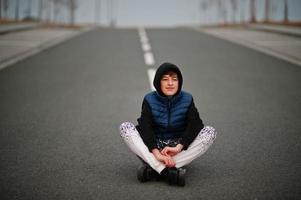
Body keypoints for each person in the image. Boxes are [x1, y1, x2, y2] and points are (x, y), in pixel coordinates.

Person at [119, 62, 217, 186]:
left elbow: (195, 125)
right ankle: (167, 170)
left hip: (177, 150)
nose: (170, 83)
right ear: (158, 83)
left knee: (210, 132)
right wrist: (157, 154)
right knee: (125, 127)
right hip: (154, 148)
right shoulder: (149, 99)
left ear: (179, 82)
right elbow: (145, 127)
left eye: (174, 79)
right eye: (165, 79)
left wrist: (179, 147)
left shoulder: (187, 99)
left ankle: (154, 170)